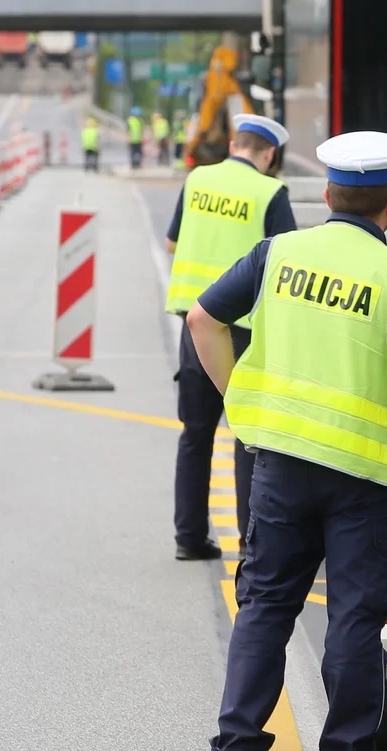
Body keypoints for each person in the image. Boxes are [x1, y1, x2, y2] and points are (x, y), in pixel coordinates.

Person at [186, 131, 387, 751]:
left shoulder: (278, 253)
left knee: (265, 606)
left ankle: (238, 749)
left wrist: (241, 405)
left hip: (279, 464)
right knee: (353, 617)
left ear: (330, 193)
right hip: (364, 481)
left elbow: (202, 319)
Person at [164, 114, 297, 561]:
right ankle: (248, 542)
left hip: (195, 322)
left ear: (235, 144)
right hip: (243, 333)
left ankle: (188, 537)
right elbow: (287, 264)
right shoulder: (270, 193)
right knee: (246, 436)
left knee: (195, 433)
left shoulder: (198, 178)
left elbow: (171, 243)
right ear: (270, 154)